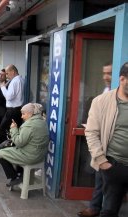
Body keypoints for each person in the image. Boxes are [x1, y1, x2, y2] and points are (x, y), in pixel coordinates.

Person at [84, 62, 128, 217]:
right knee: (109, 211)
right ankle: (95, 207)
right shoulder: (101, 101)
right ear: (122, 79)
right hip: (113, 165)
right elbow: (91, 132)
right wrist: (103, 163)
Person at [77, 62, 112, 217]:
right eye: (104, 73)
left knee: (111, 183)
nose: (106, 77)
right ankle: (95, 207)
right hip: (102, 141)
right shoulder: (105, 92)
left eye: (109, 73)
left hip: (115, 145)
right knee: (99, 176)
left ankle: (103, 209)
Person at [0, 103, 49, 187]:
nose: (22, 116)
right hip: (40, 155)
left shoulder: (29, 125)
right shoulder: (42, 122)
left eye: (23, 114)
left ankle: (15, 177)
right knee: (7, 148)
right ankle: (20, 173)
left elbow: (18, 142)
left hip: (30, 156)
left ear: (30, 114)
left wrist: (13, 128)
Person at [0, 64, 25, 150]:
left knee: (2, 130)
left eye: (7, 74)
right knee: (14, 130)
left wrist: (3, 87)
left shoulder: (15, 81)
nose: (7, 76)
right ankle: (13, 149)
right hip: (18, 109)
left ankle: (4, 150)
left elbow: (9, 96)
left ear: (13, 72)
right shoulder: (21, 79)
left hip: (12, 110)